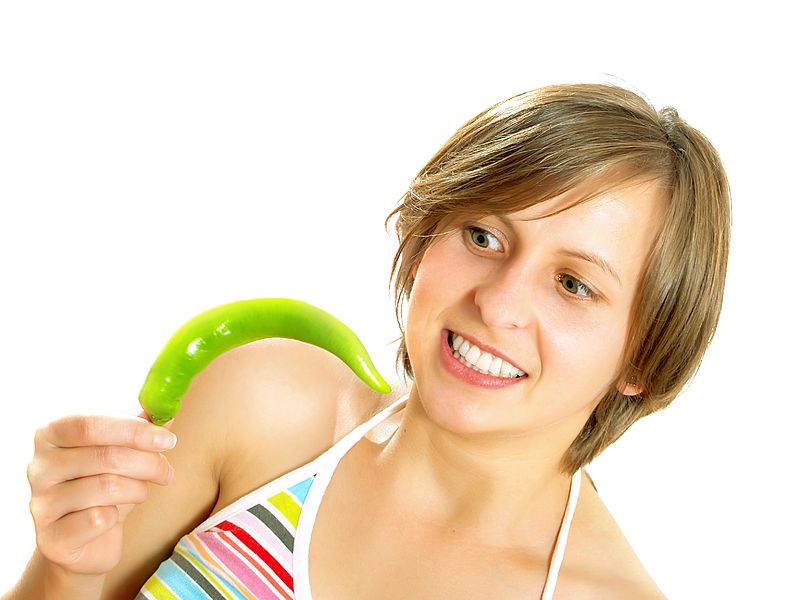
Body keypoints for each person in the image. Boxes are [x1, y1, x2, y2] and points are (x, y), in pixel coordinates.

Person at [5, 82, 730, 599]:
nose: (498, 303)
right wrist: (64, 572)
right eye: (483, 236)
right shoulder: (263, 410)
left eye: (573, 284)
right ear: (426, 237)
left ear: (643, 355)